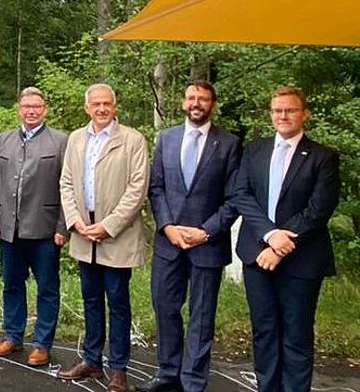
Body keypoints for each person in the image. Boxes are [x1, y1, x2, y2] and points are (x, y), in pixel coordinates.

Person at [233, 86, 340, 392]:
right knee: (264, 331)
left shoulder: (323, 157)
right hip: (256, 255)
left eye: (290, 110)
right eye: (277, 110)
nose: (283, 116)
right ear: (270, 114)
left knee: (296, 335)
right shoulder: (254, 150)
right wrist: (269, 235)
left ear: (304, 114)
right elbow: (242, 195)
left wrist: (279, 248)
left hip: (302, 260)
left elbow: (318, 210)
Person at [139, 80, 242, 392]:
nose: (197, 103)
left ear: (212, 103)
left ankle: (193, 380)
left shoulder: (229, 143)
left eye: (204, 98)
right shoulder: (166, 138)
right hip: (169, 243)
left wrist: (206, 232)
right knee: (165, 307)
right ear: (184, 102)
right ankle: (168, 373)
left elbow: (235, 197)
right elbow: (156, 187)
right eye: (191, 97)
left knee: (201, 315)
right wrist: (167, 226)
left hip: (206, 245)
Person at [57, 83, 149, 392]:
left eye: (107, 103)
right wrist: (75, 221)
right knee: (91, 300)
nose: (101, 108)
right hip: (84, 231)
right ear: (87, 107)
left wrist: (109, 225)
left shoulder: (132, 140)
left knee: (118, 302)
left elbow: (138, 189)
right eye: (96, 104)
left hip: (115, 234)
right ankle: (92, 360)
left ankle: (119, 368)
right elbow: (66, 182)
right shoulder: (76, 139)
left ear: (115, 106)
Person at [0, 86, 68, 367]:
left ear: (45, 109)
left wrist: (63, 227)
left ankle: (42, 343)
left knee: (47, 289)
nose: (31, 111)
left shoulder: (60, 142)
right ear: (19, 108)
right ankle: (12, 335)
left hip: (45, 230)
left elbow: (68, 189)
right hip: (10, 229)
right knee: (12, 286)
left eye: (37, 106)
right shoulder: (3, 140)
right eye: (26, 106)